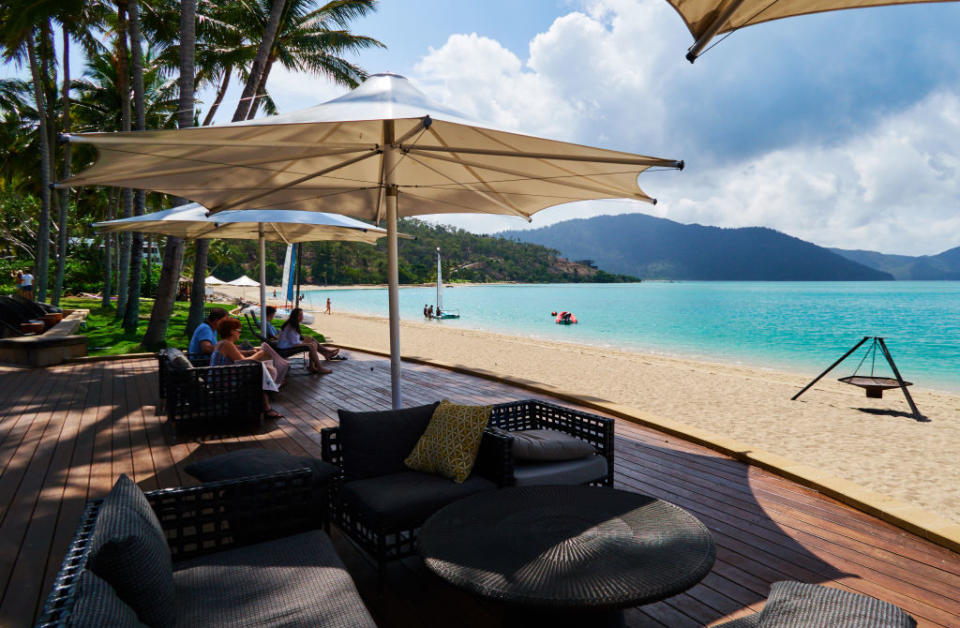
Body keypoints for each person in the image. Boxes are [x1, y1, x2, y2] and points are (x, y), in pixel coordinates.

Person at [210, 317, 286, 419]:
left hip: (219, 378)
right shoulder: (227, 344)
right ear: (232, 331)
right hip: (224, 381)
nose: (240, 333)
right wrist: (260, 353)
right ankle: (267, 407)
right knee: (260, 376)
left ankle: (270, 397)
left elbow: (236, 355)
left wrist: (251, 351)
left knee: (261, 373)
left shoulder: (222, 343)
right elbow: (243, 362)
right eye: (239, 331)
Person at [277, 307, 340, 374]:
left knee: (312, 340)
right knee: (312, 345)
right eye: (300, 315)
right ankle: (320, 367)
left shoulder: (292, 324)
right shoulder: (292, 326)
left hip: (287, 345)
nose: (302, 317)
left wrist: (306, 339)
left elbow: (295, 338)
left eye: (302, 315)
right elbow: (294, 343)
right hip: (284, 349)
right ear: (295, 317)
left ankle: (315, 363)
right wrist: (306, 343)